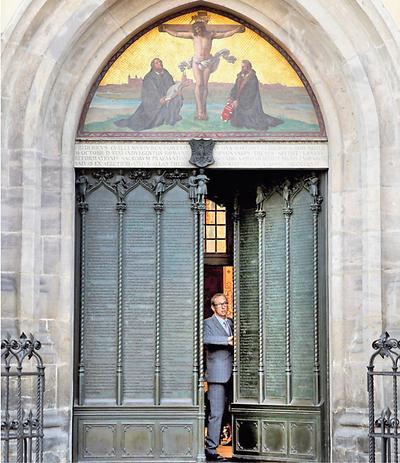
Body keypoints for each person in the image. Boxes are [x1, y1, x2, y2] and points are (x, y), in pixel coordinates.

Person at [159, 12, 244, 120]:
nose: (198, 31)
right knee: (199, 84)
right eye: (196, 29)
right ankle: (199, 111)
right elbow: (177, 34)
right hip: (196, 62)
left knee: (204, 85)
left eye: (200, 29)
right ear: (194, 29)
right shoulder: (193, 35)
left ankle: (204, 110)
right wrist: (166, 29)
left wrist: (236, 30)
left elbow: (224, 34)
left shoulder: (210, 35)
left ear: (203, 28)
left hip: (207, 62)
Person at [204, 293, 234, 461]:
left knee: (230, 412)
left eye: (225, 303)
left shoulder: (231, 322)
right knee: (216, 412)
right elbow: (204, 339)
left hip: (234, 375)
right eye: (220, 304)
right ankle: (211, 449)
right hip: (217, 375)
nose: (224, 306)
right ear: (213, 307)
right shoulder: (207, 323)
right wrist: (226, 340)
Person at [115, 58, 183, 131]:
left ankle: (171, 118)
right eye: (157, 63)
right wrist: (159, 100)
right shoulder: (148, 77)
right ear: (153, 66)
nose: (159, 63)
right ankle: (164, 118)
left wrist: (178, 90)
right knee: (154, 121)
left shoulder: (166, 73)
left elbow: (172, 86)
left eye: (160, 62)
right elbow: (149, 93)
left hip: (168, 98)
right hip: (154, 104)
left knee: (178, 98)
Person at [227, 60, 283, 130]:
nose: (242, 68)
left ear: (248, 67)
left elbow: (251, 93)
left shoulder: (253, 78)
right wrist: (232, 97)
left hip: (250, 104)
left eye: (244, 67)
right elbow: (235, 88)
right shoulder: (239, 77)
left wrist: (239, 101)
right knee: (235, 122)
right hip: (239, 101)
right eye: (242, 67)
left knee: (254, 123)